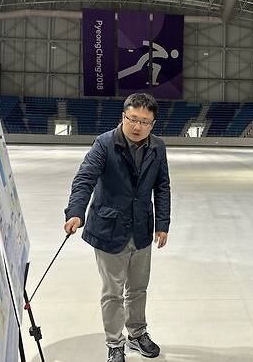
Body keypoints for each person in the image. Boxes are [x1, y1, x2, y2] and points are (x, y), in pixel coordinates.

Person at [63, 93, 171, 362]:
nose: (137, 127)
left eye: (145, 122)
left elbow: (162, 187)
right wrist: (76, 212)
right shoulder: (105, 143)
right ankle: (114, 343)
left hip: (142, 230)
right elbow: (85, 178)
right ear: (123, 116)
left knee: (138, 288)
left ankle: (137, 334)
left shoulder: (157, 147)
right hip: (109, 229)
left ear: (153, 124)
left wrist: (163, 224)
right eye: (132, 119)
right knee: (113, 292)